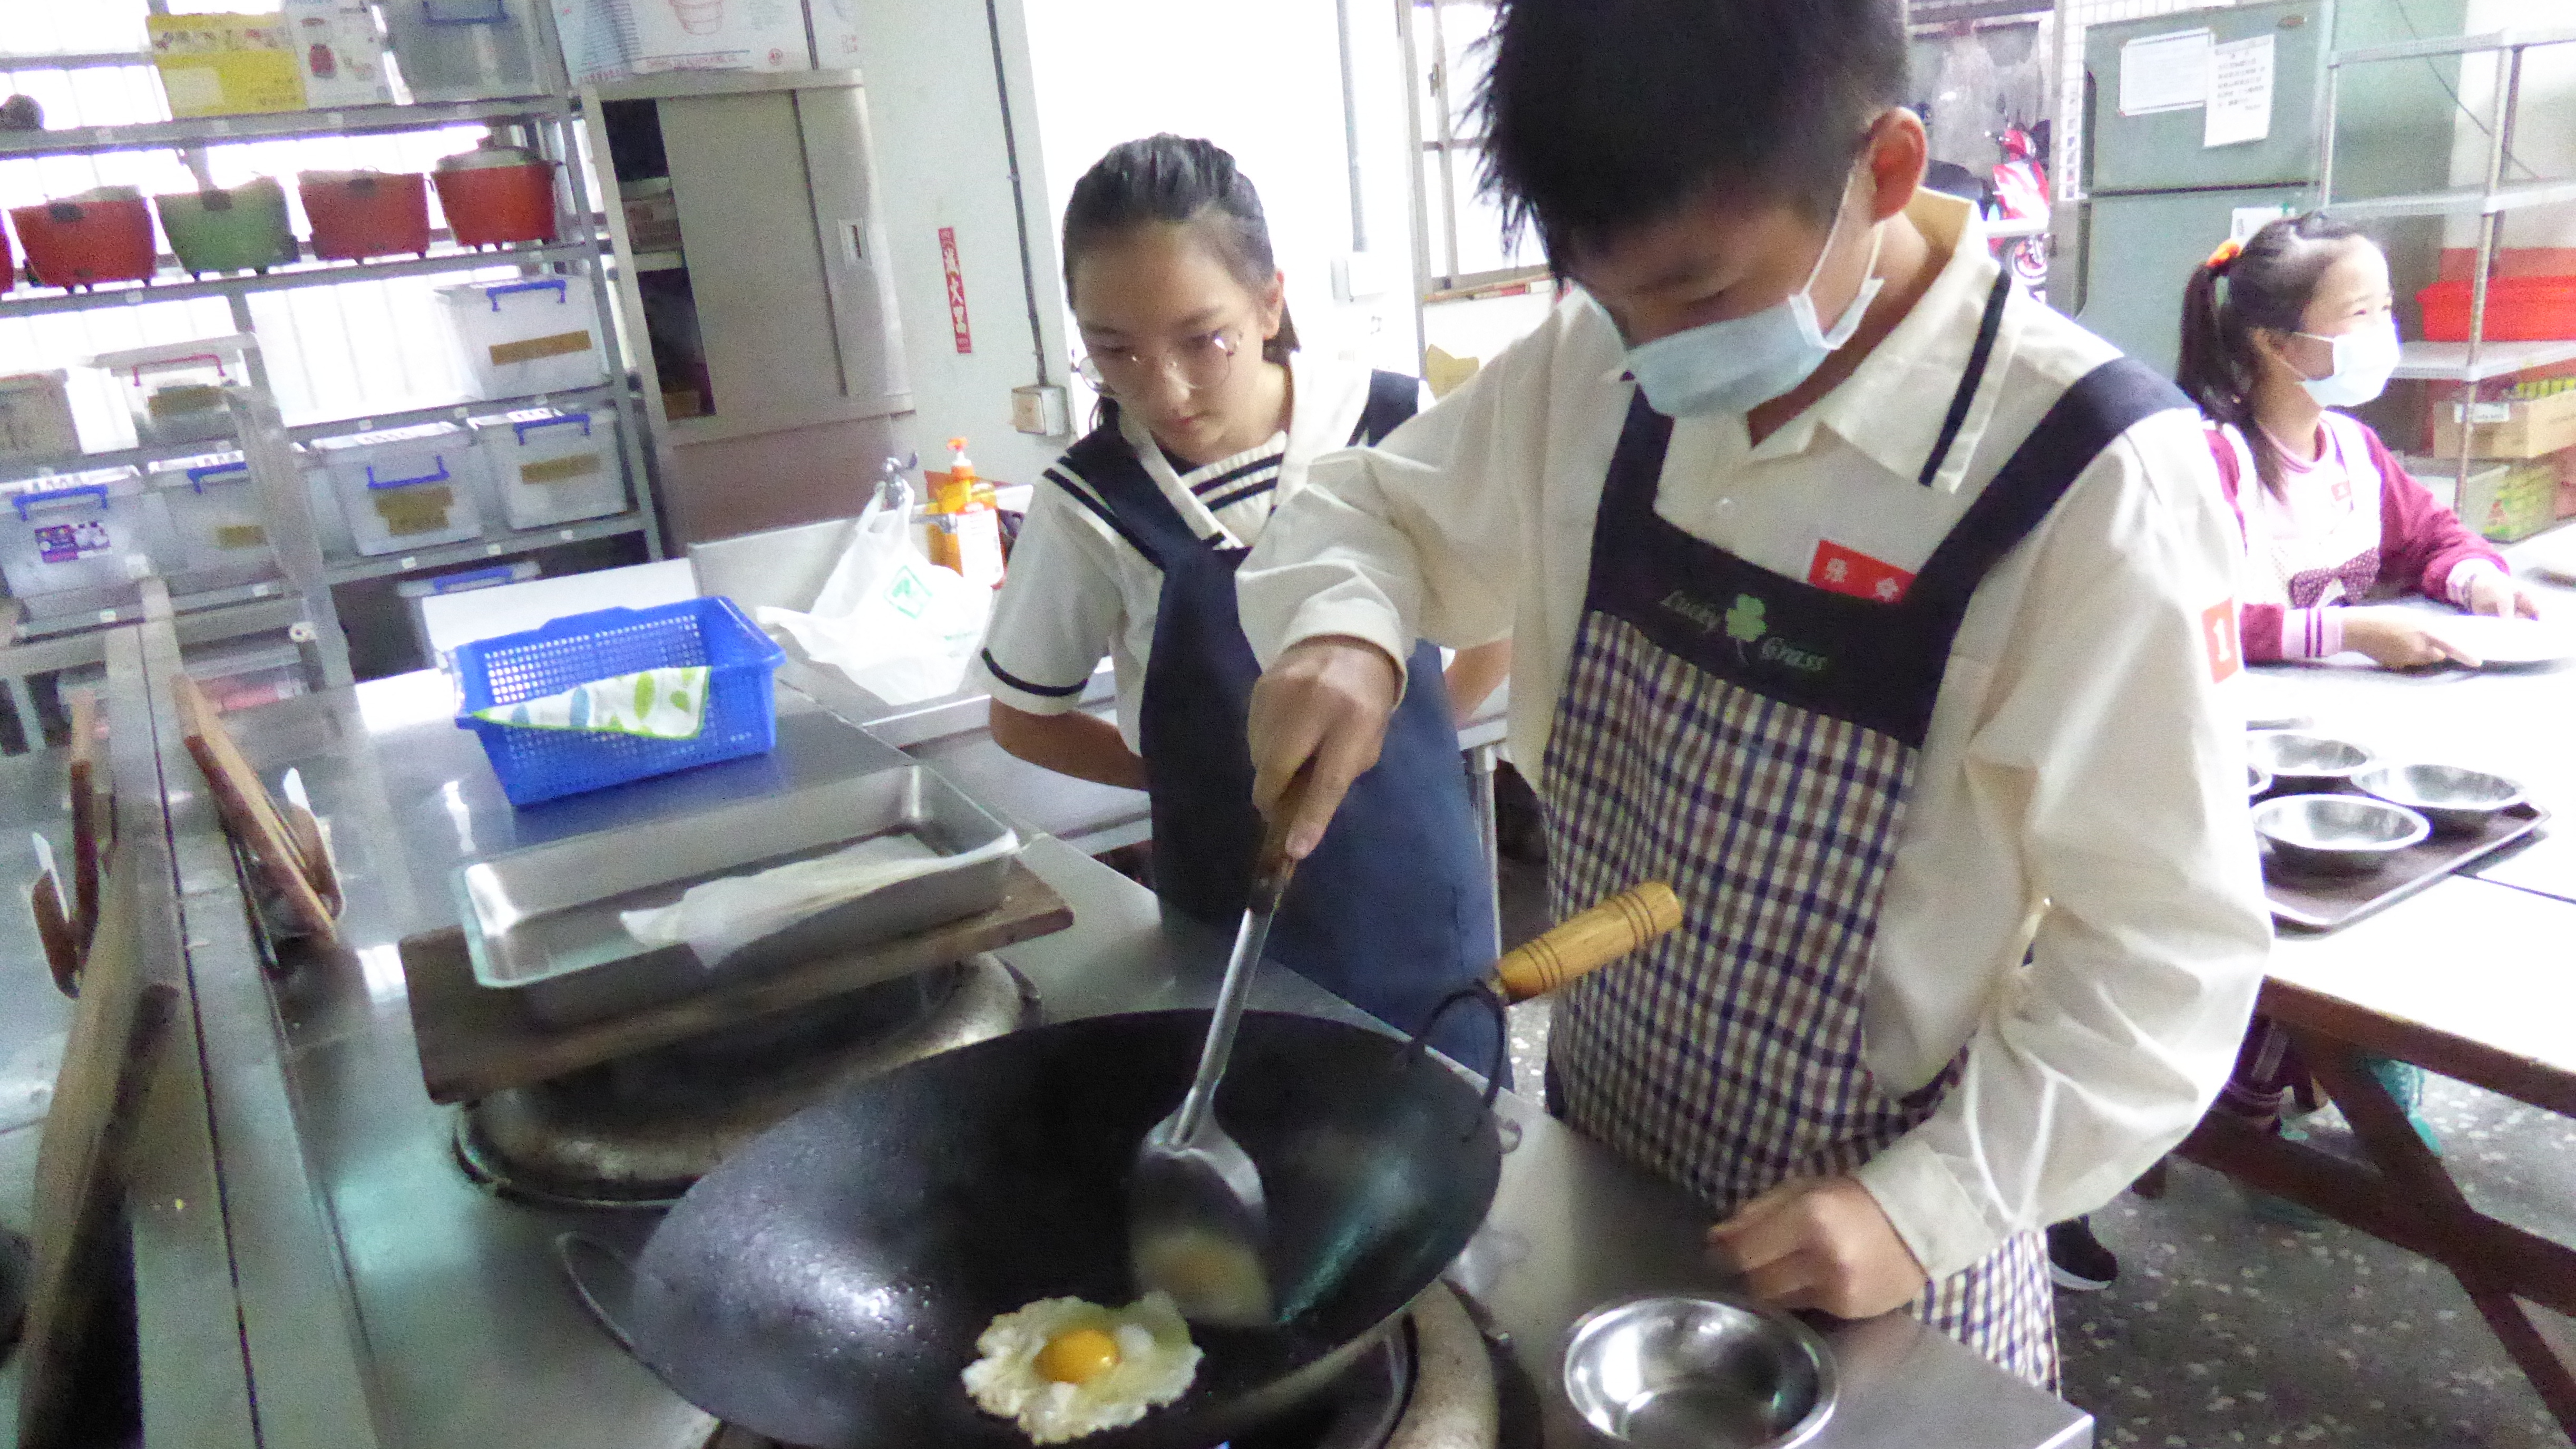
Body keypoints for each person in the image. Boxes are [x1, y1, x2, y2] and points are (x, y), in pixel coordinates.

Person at [1233, 0, 2270, 1387]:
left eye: (1702, 295)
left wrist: (1924, 1207)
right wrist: (1349, 632)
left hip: (1873, 1263)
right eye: (1607, 298)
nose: (1651, 353)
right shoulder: (1606, 363)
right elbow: (1377, 513)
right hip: (1602, 1174)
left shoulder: (2093, 486)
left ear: (1885, 172)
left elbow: (2164, 960)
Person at [972, 134, 1510, 1072]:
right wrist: (1191, 782)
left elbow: (1496, 621)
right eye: (1114, 352)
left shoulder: (1392, 424)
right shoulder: (1091, 503)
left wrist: (1410, 732)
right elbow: (1024, 720)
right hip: (1225, 930)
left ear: (1270, 303)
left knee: (1458, 1142)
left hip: (1420, 912)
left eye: (1201, 340)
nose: (1163, 389)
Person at [2179, 213, 2544, 669]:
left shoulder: (2354, 448)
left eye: (2386, 309)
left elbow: (2432, 538)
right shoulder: (2216, 459)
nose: (2383, 333)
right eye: (2359, 313)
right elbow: (2197, 619)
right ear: (2276, 343)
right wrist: (2350, 634)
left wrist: (2478, 580)